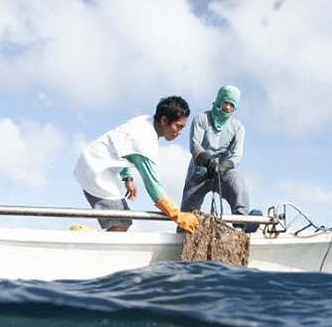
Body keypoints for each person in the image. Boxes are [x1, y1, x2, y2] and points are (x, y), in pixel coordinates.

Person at [74, 96, 199, 234]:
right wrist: (178, 216)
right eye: (178, 126)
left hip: (94, 162)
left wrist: (127, 177)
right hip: (96, 170)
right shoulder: (145, 141)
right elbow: (154, 187)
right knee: (121, 223)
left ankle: (88, 236)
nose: (180, 132)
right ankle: (85, 238)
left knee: (122, 221)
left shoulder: (146, 121)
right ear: (164, 120)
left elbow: (125, 148)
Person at [180, 85, 250, 219]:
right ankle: (183, 231)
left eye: (232, 105)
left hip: (223, 171)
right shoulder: (201, 119)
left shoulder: (238, 127)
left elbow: (237, 155)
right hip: (199, 170)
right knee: (187, 215)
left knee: (238, 182)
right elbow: (195, 146)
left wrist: (223, 167)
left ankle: (242, 222)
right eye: (226, 102)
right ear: (219, 100)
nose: (228, 108)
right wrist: (209, 162)